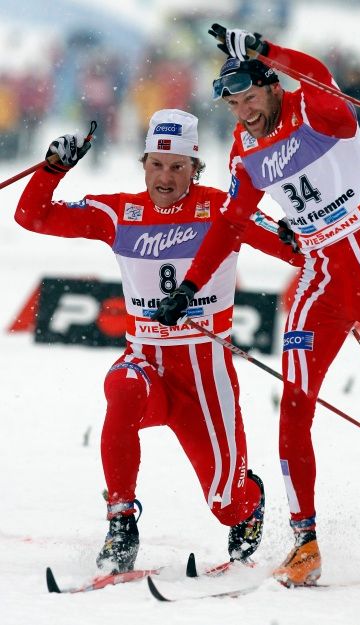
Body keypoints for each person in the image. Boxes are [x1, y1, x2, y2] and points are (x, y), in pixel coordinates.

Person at [151, 28, 360, 587]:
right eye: (233, 105)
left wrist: (265, 48)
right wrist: (189, 289)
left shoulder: (315, 107)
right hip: (322, 279)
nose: (244, 113)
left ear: (272, 87)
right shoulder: (244, 147)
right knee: (294, 403)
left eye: (250, 99)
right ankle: (305, 543)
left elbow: (314, 71)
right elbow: (234, 222)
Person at [15, 108, 303, 574]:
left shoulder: (223, 210)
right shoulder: (119, 213)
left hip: (205, 377)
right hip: (146, 362)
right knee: (122, 389)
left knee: (226, 504)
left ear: (195, 168)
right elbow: (32, 216)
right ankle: (121, 521)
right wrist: (53, 169)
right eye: (156, 164)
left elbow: (298, 246)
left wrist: (311, 229)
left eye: (177, 166)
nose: (165, 177)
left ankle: (247, 499)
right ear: (143, 163)